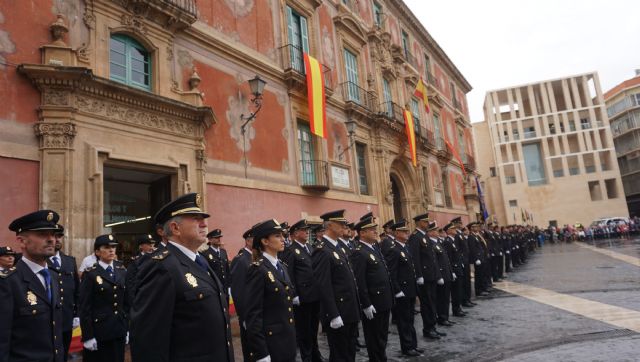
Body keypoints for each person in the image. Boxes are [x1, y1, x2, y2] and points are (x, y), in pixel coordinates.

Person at [130, 193, 234, 361]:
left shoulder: (200, 260)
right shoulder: (161, 266)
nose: (204, 224)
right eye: (195, 218)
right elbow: (148, 339)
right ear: (175, 228)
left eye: (203, 218)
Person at [1, 210, 64, 361]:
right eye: (42, 234)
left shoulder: (54, 276)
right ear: (22, 241)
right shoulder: (8, 282)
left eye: (53, 234)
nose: (51, 240)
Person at [244, 219, 297, 362]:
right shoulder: (258, 270)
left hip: (287, 339)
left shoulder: (282, 267)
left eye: (283, 236)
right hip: (272, 343)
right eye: (278, 236)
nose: (283, 239)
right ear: (265, 241)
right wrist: (261, 352)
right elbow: (253, 315)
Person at [312, 210, 360, 361]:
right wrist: (333, 314)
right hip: (339, 312)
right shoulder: (322, 251)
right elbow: (323, 286)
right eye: (341, 224)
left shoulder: (338, 247)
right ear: (330, 225)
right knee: (340, 354)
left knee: (349, 351)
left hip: (349, 310)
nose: (344, 226)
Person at [79, 234, 129, 362]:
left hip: (119, 329)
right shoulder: (91, 273)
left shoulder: (122, 270)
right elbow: (85, 307)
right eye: (106, 247)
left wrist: (127, 328)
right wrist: (88, 336)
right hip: (99, 332)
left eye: (113, 247)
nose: (111, 250)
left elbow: (126, 303)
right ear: (97, 252)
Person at [350, 215, 393, 362]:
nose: (375, 232)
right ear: (362, 233)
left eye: (375, 229)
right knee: (374, 337)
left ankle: (381, 358)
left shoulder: (374, 248)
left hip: (383, 300)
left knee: (382, 335)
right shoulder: (359, 252)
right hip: (373, 302)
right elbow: (360, 282)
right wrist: (366, 304)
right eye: (372, 230)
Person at [281, 219, 325, 362]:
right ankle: (307, 357)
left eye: (307, 230)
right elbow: (289, 274)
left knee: (313, 329)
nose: (307, 232)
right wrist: (294, 295)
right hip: (302, 299)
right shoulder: (290, 250)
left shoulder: (310, 248)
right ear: (294, 234)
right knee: (304, 332)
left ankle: (315, 355)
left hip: (314, 296)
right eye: (303, 230)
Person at [385, 219, 423, 357]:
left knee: (410, 320)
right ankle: (407, 347)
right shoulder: (393, 250)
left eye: (407, 231)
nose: (407, 233)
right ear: (396, 233)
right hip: (402, 291)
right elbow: (392, 273)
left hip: (410, 290)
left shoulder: (405, 247)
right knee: (404, 321)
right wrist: (397, 290)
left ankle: (413, 344)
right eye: (404, 231)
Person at [408, 214, 445, 340]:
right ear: (418, 222)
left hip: (431, 275)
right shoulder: (415, 237)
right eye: (425, 221)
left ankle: (432, 326)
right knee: (427, 304)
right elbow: (415, 257)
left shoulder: (424, 236)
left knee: (432, 302)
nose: (427, 223)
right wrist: (418, 275)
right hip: (424, 277)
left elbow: (432, 258)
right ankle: (428, 328)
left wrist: (437, 274)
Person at [48, 225, 80, 361]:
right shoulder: (41, 261)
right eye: (54, 236)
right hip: (48, 320)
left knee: (64, 354)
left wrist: (76, 314)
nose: (57, 240)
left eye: (59, 236)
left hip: (67, 318)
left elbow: (77, 290)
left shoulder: (69, 261)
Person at [231, 227, 255, 360]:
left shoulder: (255, 257)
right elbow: (238, 291)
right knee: (250, 349)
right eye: (254, 240)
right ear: (248, 241)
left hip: (256, 312)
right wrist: (244, 317)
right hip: (248, 312)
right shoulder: (241, 260)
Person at [125, 234, 156, 307]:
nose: (151, 247)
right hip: (140, 297)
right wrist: (133, 301)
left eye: (152, 244)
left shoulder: (157, 259)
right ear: (141, 246)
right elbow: (130, 282)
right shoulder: (135, 261)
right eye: (148, 244)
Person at [442, 222, 466, 318]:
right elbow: (449, 259)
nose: (455, 230)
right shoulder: (447, 242)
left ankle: (458, 308)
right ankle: (456, 309)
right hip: (454, 269)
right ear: (448, 231)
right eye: (453, 229)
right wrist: (452, 271)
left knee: (458, 290)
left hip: (458, 268)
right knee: (455, 291)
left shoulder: (453, 240)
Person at [201, 228, 231, 294]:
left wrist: (229, 286)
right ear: (210, 240)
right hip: (215, 288)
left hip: (225, 288)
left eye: (220, 237)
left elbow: (227, 270)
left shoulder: (223, 252)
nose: (219, 239)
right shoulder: (205, 254)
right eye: (216, 237)